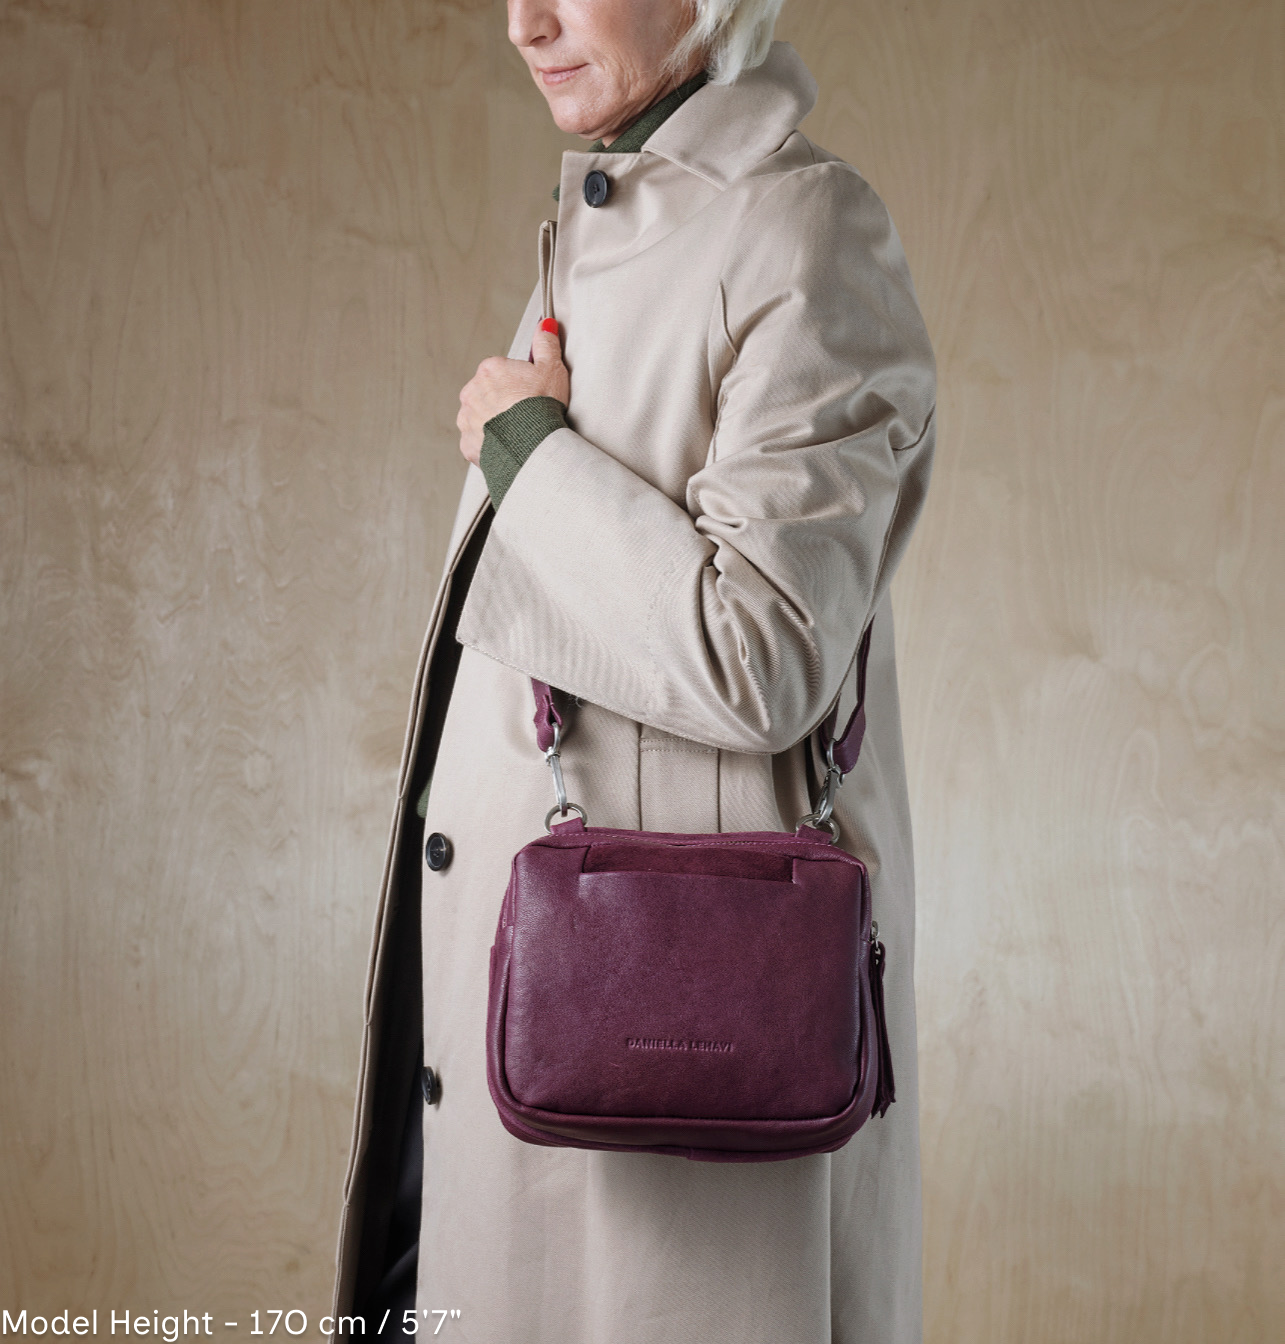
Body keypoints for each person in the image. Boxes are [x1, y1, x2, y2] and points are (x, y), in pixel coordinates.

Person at [331, 1, 936, 1340]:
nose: (524, 23)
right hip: (535, 1024)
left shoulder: (802, 232)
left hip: (675, 1072)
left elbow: (763, 654)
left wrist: (530, 458)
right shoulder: (609, 222)